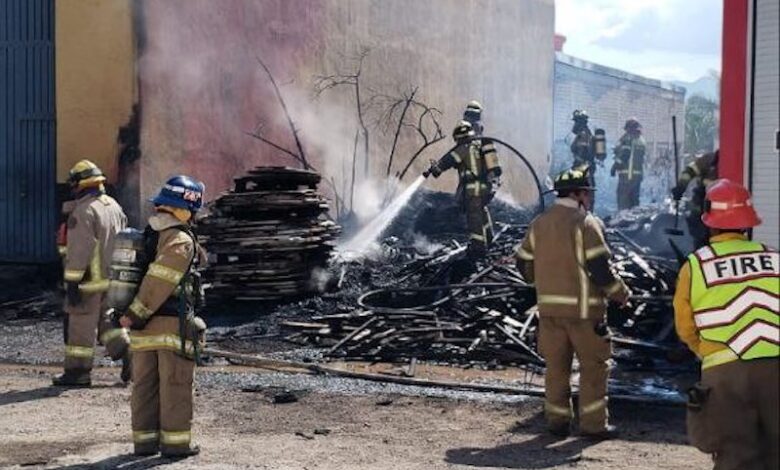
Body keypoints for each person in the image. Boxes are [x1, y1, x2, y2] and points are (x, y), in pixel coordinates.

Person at [515, 167, 630, 438]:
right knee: (593, 369)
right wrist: (621, 294)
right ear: (578, 194)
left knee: (556, 369)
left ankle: (557, 423)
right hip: (584, 315)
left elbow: (522, 261)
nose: (589, 198)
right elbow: (600, 269)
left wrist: (540, 282)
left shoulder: (539, 223)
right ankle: (593, 426)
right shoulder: (585, 224)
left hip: (549, 313)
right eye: (587, 193)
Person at [673, 178, 778, 470]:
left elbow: (685, 326)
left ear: (710, 223)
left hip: (724, 373)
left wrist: (707, 352)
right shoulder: (773, 258)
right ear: (746, 223)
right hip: (775, 369)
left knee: (734, 453)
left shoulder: (696, 266)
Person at [119, 175, 207, 458]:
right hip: (169, 324)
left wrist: (132, 317)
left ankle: (144, 443)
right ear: (185, 208)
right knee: (175, 385)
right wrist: (134, 314)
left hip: (144, 330)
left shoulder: (150, 233)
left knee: (144, 385)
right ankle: (175, 444)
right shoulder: (179, 239)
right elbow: (160, 282)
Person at [53, 160, 130, 387]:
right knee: (107, 322)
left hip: (88, 281)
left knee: (80, 325)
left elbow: (79, 250)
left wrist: (73, 282)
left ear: (80, 184)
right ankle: (130, 354)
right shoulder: (113, 206)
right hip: (112, 278)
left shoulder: (84, 211)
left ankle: (78, 372)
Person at [424, 120, 501, 259]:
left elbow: (449, 160)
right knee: (482, 212)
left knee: (474, 216)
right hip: (485, 188)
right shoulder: (478, 145)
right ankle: (489, 240)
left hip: (473, 188)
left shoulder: (464, 148)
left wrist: (437, 168)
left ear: (458, 137)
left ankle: (478, 247)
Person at [672, 150, 719, 248]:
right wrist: (681, 187)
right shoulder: (709, 159)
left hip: (717, 214)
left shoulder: (732, 162)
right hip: (701, 207)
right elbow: (690, 171)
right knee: (699, 238)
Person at [611, 118, 646, 210]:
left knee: (623, 203)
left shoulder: (627, 138)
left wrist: (614, 167)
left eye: (627, 128)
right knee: (634, 203)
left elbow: (624, 154)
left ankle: (622, 223)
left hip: (627, 177)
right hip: (637, 178)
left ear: (630, 128)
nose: (626, 131)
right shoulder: (641, 140)